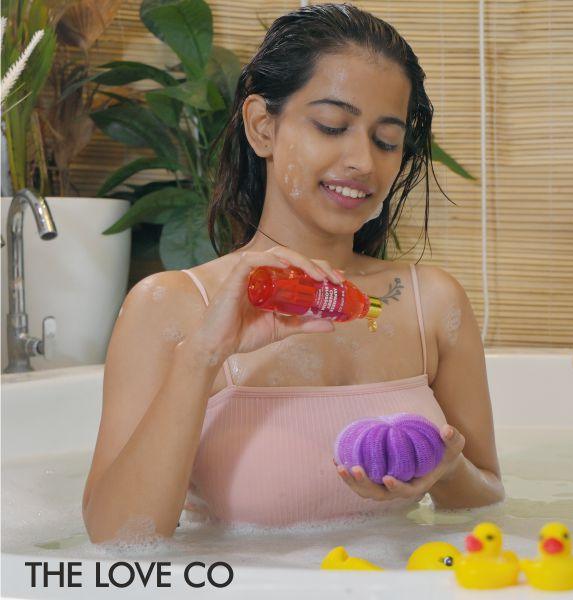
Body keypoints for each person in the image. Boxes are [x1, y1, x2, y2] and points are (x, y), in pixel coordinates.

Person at [82, 4, 503, 542]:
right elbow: (115, 542)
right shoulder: (171, 306)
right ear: (263, 127)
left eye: (386, 140)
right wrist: (204, 356)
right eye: (332, 126)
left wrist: (447, 472)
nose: (362, 162)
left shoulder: (432, 302)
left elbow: (489, 498)